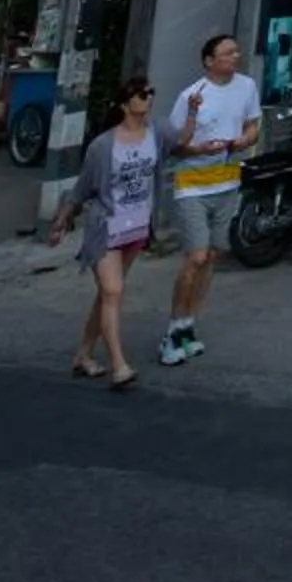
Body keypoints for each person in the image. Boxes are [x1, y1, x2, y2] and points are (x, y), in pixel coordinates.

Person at [50, 71, 166, 389]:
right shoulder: (103, 146)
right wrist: (61, 221)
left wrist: (196, 112)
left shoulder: (155, 134)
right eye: (142, 94)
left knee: (106, 295)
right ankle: (119, 365)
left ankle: (84, 355)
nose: (149, 98)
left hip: (136, 227)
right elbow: (83, 187)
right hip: (106, 229)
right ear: (126, 104)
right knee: (113, 292)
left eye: (150, 92)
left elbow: (182, 141)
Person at [160, 32, 261, 367]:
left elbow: (252, 125)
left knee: (213, 255)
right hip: (193, 184)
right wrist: (198, 149)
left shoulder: (246, 86)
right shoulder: (192, 95)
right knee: (196, 256)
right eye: (228, 52)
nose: (235, 56)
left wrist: (243, 141)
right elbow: (174, 144)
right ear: (210, 60)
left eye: (236, 51)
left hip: (227, 180)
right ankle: (173, 328)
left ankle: (189, 324)